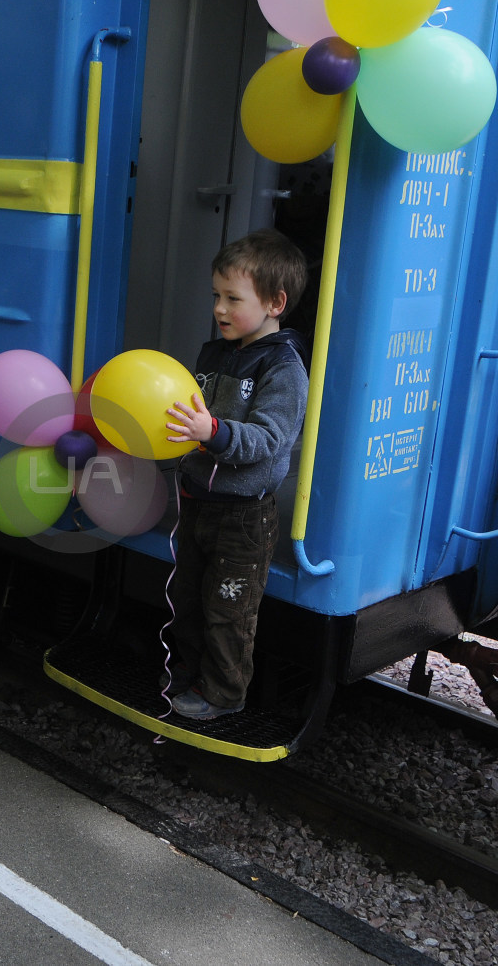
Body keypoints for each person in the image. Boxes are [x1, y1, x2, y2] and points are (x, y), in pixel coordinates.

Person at [163, 228, 309, 721]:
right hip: (198, 503)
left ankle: (224, 693)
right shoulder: (215, 353)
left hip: (244, 517)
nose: (220, 309)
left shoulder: (283, 367)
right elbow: (191, 419)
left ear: (275, 303)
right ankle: (191, 672)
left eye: (233, 299)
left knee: (229, 611)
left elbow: (270, 440)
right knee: (188, 600)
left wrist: (211, 430)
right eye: (216, 296)